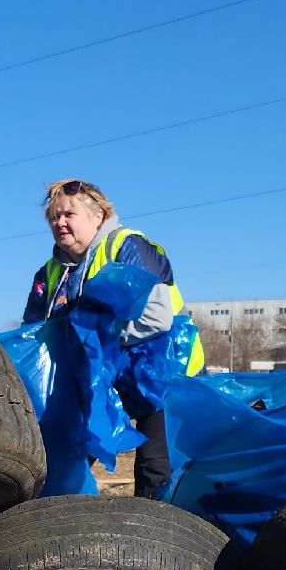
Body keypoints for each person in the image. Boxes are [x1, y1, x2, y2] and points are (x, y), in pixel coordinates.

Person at [22, 179, 205, 498]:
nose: (59, 222)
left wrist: (93, 340)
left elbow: (157, 318)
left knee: (155, 467)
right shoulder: (50, 273)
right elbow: (34, 335)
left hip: (161, 371)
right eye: (53, 216)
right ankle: (53, 523)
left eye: (68, 214)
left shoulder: (127, 246)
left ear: (99, 216)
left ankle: (161, 538)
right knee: (66, 456)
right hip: (101, 377)